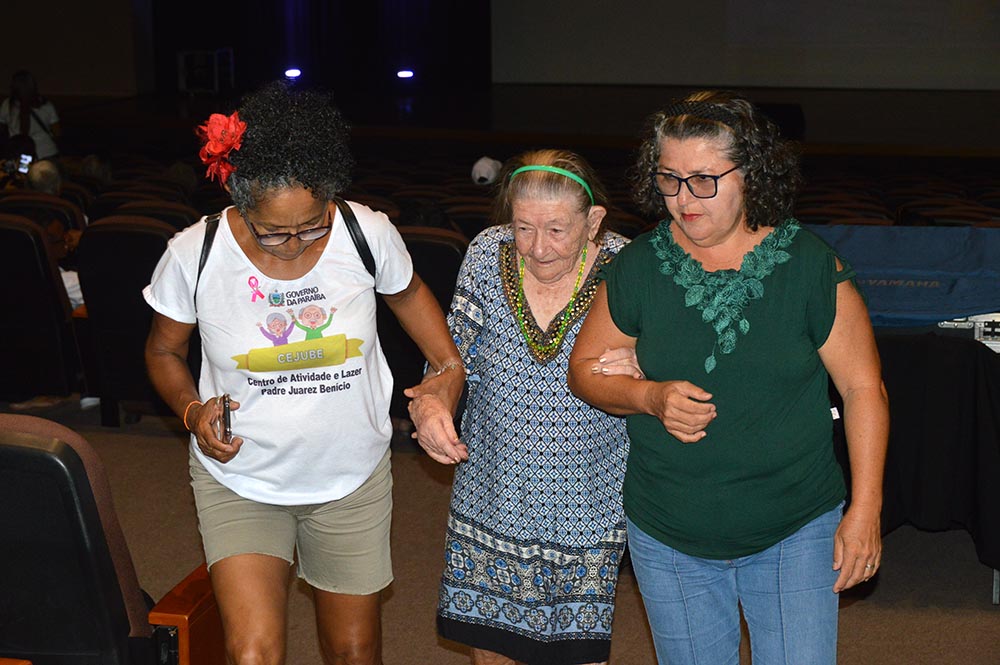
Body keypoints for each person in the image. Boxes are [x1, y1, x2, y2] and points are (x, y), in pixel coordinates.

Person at [143, 81, 464, 665]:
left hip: (350, 477)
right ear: (241, 203)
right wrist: (192, 412)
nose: (294, 244)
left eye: (313, 225)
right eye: (273, 231)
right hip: (241, 477)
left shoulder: (367, 233)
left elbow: (411, 294)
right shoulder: (196, 253)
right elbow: (163, 353)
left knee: (354, 653)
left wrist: (447, 371)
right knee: (252, 655)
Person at [567, 91, 889, 665]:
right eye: (669, 179)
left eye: (704, 180)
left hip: (794, 523)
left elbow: (864, 390)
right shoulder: (640, 264)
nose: (683, 200)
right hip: (669, 528)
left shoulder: (811, 266)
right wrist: (650, 396)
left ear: (753, 175)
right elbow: (586, 372)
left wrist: (865, 510)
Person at [407, 149, 640, 665]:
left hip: (588, 503)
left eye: (557, 230)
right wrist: (430, 404)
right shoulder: (486, 252)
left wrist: (643, 363)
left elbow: (666, 368)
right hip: (491, 493)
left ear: (594, 220)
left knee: (576, 654)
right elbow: (451, 357)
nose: (537, 249)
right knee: (493, 652)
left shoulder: (628, 267)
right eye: (523, 227)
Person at [0, 70, 60, 160]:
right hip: (46, 152)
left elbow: (2, 127)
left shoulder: (8, 105)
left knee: (22, 173)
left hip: (20, 154)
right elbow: (57, 132)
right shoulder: (45, 105)